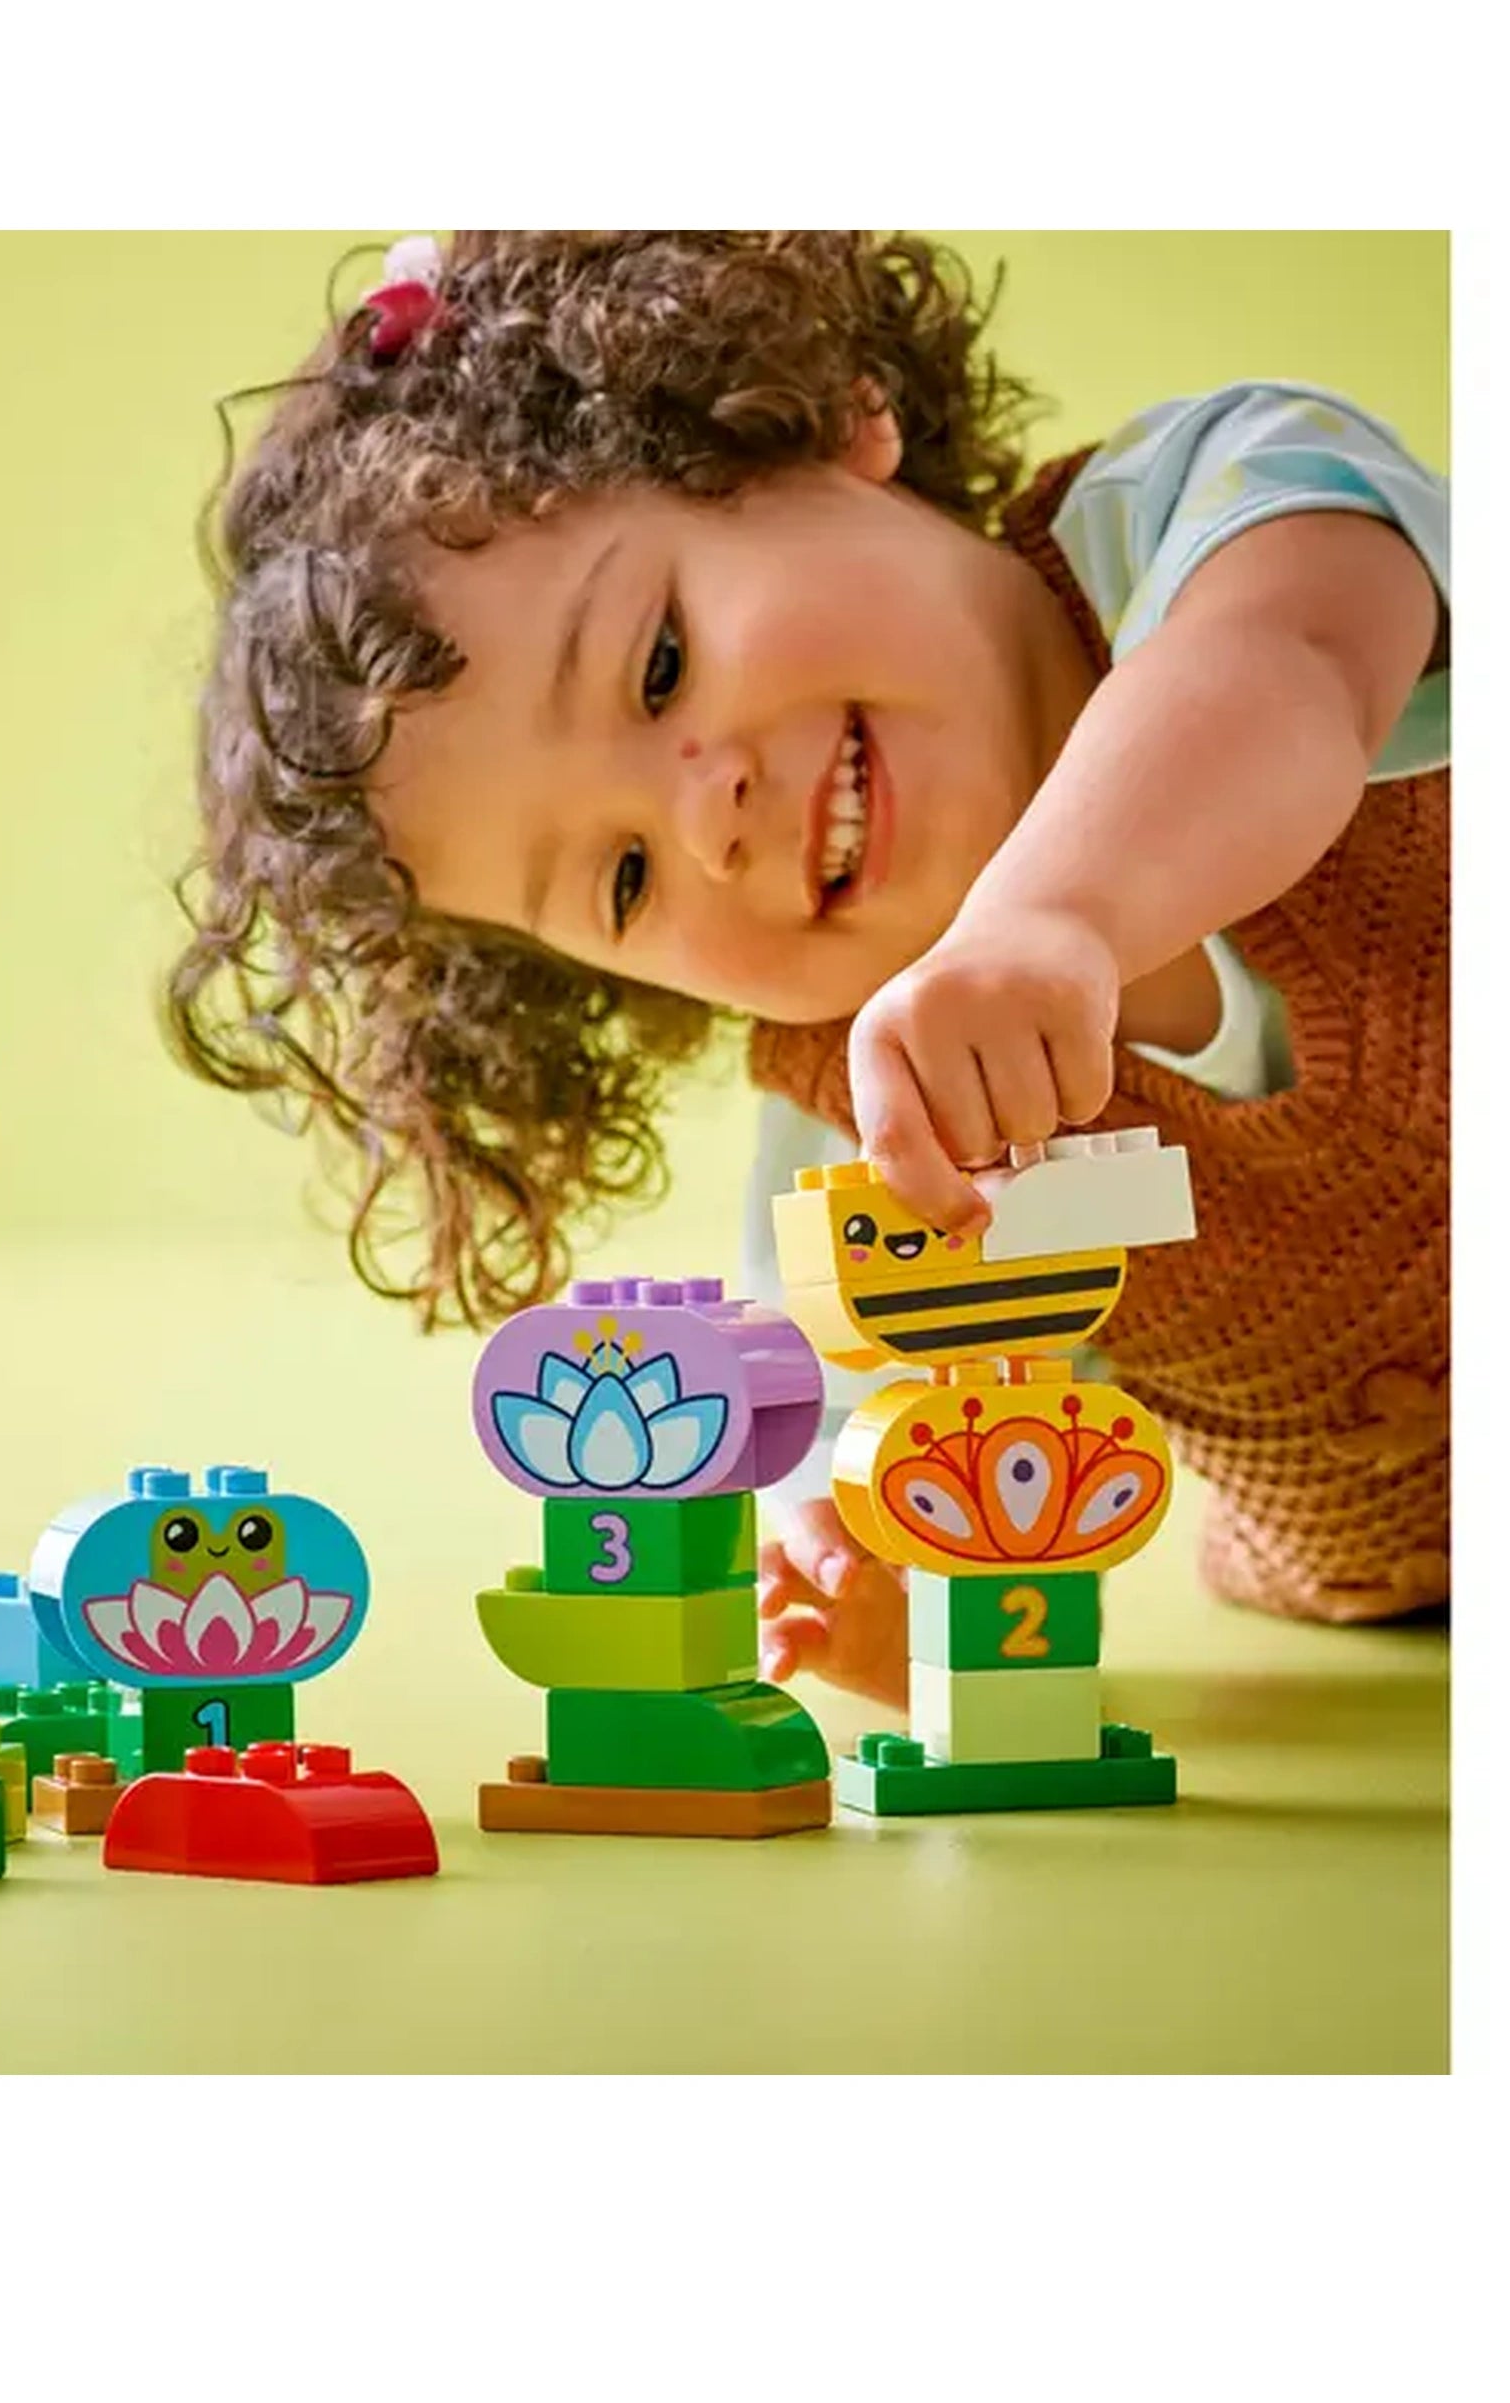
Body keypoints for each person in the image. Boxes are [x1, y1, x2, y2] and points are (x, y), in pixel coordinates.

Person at [165, 231, 1448, 1706]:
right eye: (626, 878)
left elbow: (1289, 665)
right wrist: (869, 1572)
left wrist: (1057, 917)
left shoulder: (1209, 506)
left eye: (658, 667)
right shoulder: (869, 1142)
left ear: (818, 428)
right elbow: (874, 1427)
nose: (703, 818)